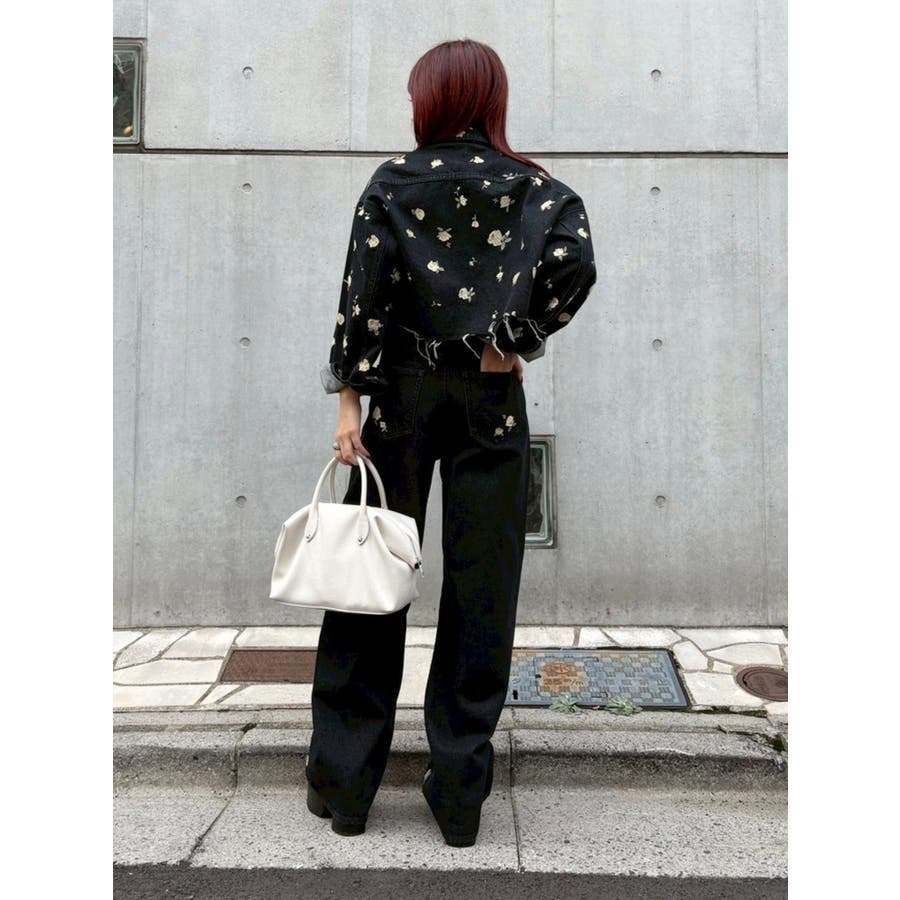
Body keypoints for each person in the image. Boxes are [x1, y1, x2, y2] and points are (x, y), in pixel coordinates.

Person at [304, 38, 597, 847]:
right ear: (492, 101)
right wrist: (514, 339)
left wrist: (349, 403)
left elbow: (361, 299)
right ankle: (460, 794)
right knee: (482, 592)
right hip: (488, 399)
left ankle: (346, 784)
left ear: (432, 100)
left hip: (399, 396)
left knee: (368, 581)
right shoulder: (532, 187)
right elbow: (575, 263)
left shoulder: (394, 183)